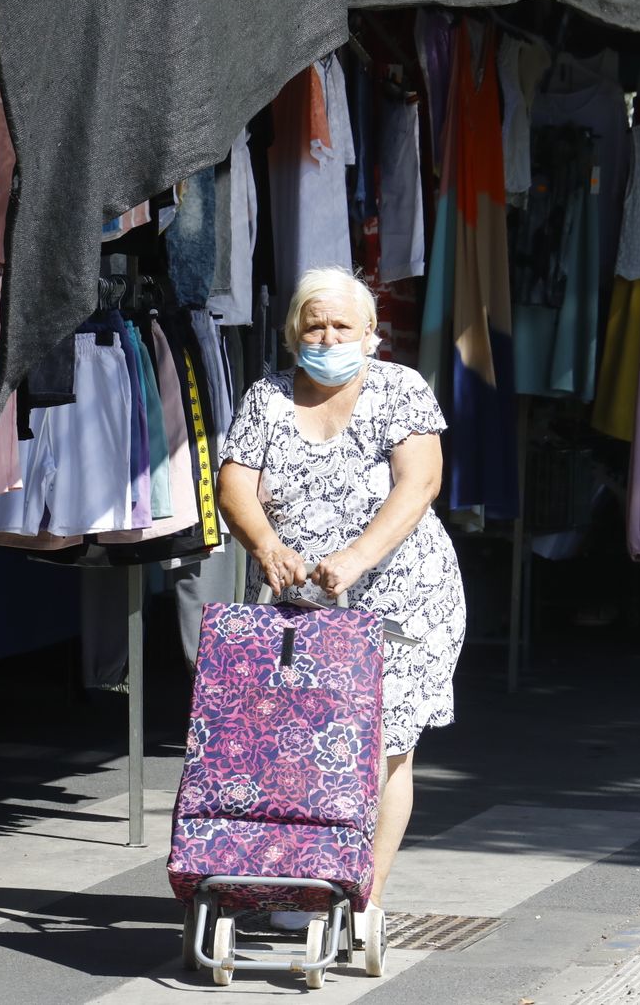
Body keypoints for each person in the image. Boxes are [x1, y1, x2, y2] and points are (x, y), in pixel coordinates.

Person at [216, 267, 467, 937]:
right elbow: (234, 485)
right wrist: (266, 545)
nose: (327, 337)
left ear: (371, 335)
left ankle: (364, 896)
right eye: (314, 324)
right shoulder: (266, 398)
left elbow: (421, 484)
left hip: (401, 600)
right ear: (294, 330)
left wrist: (356, 558)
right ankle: (301, 881)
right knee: (290, 744)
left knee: (383, 746)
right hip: (294, 604)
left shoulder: (399, 389)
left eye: (341, 326)